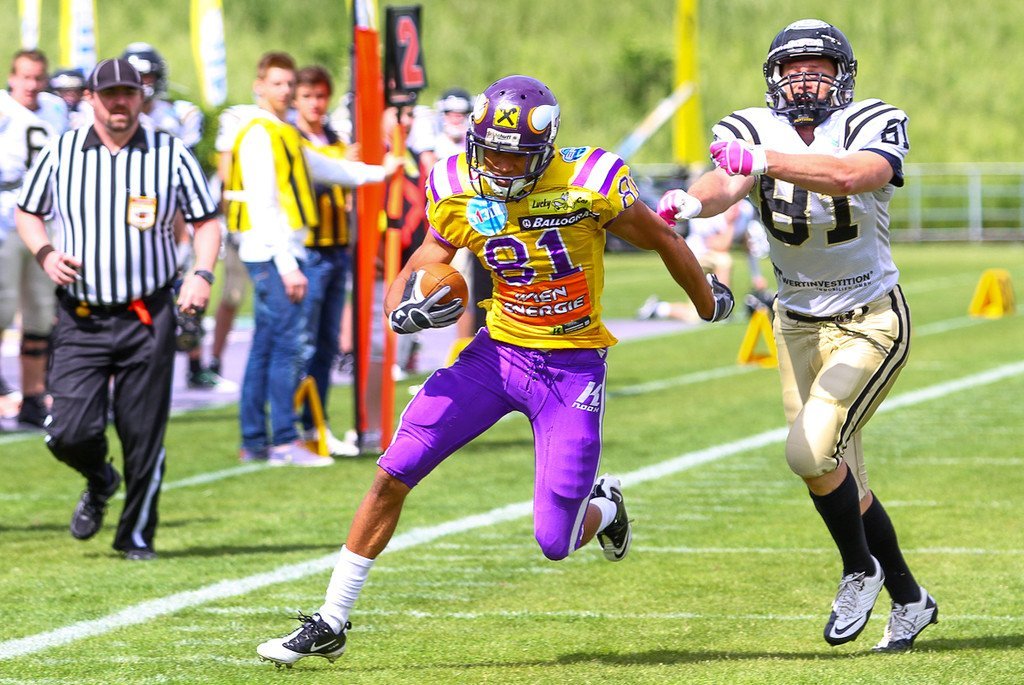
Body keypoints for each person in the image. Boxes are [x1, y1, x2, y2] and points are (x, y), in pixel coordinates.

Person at [255, 74, 734, 667]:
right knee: (393, 470)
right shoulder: (456, 185)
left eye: (515, 155)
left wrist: (707, 299)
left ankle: (605, 505)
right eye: (493, 152)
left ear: (545, 149)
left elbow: (660, 235)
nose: (501, 167)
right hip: (496, 355)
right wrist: (401, 307)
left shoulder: (589, 181)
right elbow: (426, 258)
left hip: (571, 368)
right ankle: (331, 619)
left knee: (555, 541)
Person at [657, 19, 936, 652]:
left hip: (869, 318)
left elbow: (854, 175)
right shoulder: (752, 125)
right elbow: (726, 180)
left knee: (810, 453)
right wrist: (691, 202)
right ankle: (911, 599)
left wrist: (765, 160)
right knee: (835, 474)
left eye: (818, 68)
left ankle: (860, 569)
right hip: (794, 324)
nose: (804, 79)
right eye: (793, 69)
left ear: (843, 77)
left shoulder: (870, 119)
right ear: (773, 77)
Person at [15, 57, 220, 560]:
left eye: (129, 93)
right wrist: (45, 253)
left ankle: (136, 536)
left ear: (141, 96)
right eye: (109, 95)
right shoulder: (62, 150)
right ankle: (100, 478)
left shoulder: (169, 153)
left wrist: (201, 273)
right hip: (81, 317)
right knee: (66, 432)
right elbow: (28, 211)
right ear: (91, 99)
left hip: (147, 315)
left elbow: (206, 220)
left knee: (142, 432)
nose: (120, 103)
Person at [225, 52, 388, 467]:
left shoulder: (281, 132)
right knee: (287, 348)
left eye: (288, 83)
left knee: (267, 346)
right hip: (274, 253)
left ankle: (254, 440)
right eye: (276, 83)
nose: (284, 91)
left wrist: (380, 171)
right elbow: (264, 205)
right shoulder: (261, 132)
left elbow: (326, 168)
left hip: (276, 252)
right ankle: (284, 440)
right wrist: (288, 265)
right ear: (259, 86)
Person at [121, 42, 225, 391]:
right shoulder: (116, 115)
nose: (144, 84)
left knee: (188, 290)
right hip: (129, 210)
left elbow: (185, 178)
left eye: (148, 76)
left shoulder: (178, 115)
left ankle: (195, 364)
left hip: (172, 207)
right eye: (137, 77)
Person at [292, 64, 366, 458]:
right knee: (301, 344)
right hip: (308, 249)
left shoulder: (336, 138)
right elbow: (304, 182)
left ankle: (315, 424)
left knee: (326, 346)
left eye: (321, 95)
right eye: (308, 96)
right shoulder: (293, 139)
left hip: (338, 249)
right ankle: (290, 426)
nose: (315, 104)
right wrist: (343, 169)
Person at [0, 49, 68, 427]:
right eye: (25, 77)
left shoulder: (55, 109)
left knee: (41, 313)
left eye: (38, 77)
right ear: (12, 77)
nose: (31, 84)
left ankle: (32, 396)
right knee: (2, 308)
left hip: (45, 220)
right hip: (5, 217)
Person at [637, 198, 771, 322]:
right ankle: (722, 309)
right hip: (695, 256)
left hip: (714, 259)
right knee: (724, 261)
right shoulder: (708, 209)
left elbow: (747, 244)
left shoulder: (746, 210)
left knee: (699, 314)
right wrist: (730, 223)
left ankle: (660, 309)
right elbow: (719, 246)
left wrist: (756, 275)